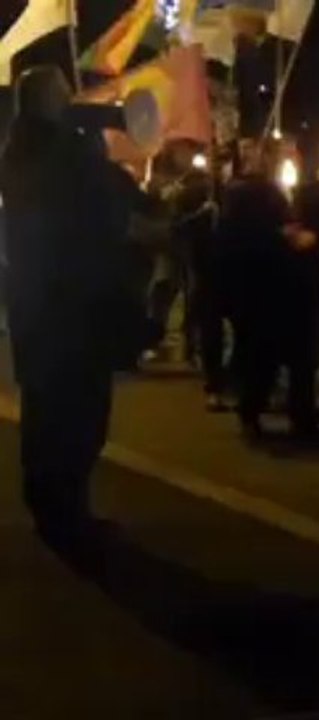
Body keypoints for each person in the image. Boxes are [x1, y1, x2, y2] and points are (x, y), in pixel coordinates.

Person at [0, 67, 139, 537]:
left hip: (44, 303)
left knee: (53, 411)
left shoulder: (32, 148)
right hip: (66, 305)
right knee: (71, 413)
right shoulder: (43, 153)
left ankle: (57, 505)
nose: (71, 100)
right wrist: (99, 132)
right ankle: (62, 511)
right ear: (45, 101)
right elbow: (101, 200)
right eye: (63, 94)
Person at [221, 139, 319, 441]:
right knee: (261, 356)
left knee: (303, 358)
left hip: (300, 287)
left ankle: (302, 417)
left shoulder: (309, 193)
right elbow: (236, 238)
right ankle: (251, 413)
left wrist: (312, 238)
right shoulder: (247, 194)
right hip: (264, 286)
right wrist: (281, 237)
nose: (289, 159)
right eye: (281, 155)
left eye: (293, 153)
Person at [168, 145, 226, 410]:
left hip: (233, 267)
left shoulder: (236, 192)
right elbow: (176, 227)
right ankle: (212, 379)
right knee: (208, 322)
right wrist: (201, 214)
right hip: (204, 266)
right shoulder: (190, 191)